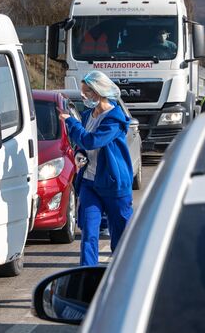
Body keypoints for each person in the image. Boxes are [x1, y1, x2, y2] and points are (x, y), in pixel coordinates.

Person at [59, 71, 133, 266]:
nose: (84, 97)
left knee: (122, 239)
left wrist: (70, 122)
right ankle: (87, 276)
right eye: (82, 93)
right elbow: (83, 145)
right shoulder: (87, 115)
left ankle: (124, 275)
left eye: (86, 93)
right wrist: (78, 153)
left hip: (114, 185)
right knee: (89, 234)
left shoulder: (114, 120)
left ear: (98, 92)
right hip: (90, 184)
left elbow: (91, 140)